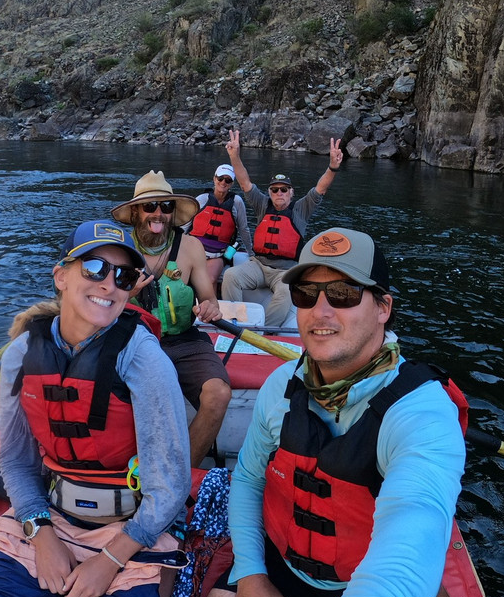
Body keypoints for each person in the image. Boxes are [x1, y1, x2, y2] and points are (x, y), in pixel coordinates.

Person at [228, 228, 467, 597]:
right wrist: (250, 575)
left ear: (383, 308)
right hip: (276, 568)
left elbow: (414, 518)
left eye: (343, 294)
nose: (320, 312)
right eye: (306, 294)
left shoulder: (422, 413)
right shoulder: (280, 386)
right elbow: (247, 477)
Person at [0, 220, 191, 597]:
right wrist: (41, 534)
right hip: (51, 515)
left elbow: (170, 487)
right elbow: (16, 462)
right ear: (61, 276)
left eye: (124, 276)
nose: (109, 284)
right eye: (94, 269)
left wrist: (109, 560)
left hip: (132, 529)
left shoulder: (144, 360)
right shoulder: (22, 354)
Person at [111, 171, 231, 467]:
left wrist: (211, 308)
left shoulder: (191, 248)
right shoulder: (118, 250)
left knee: (218, 393)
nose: (159, 214)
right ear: (136, 212)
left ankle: (179, 476)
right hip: (133, 341)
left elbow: (207, 296)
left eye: (166, 207)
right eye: (150, 206)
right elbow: (100, 307)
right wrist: (127, 295)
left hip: (185, 340)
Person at [221, 129, 343, 326]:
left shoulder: (302, 209)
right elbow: (244, 182)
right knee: (230, 276)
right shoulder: (262, 204)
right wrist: (234, 156)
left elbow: (321, 188)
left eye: (284, 189)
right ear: (269, 192)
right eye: (275, 189)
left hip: (284, 272)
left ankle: (262, 330)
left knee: (286, 291)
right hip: (259, 266)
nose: (279, 193)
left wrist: (332, 167)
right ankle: (235, 322)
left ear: (291, 192)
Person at [185, 163, 255, 286]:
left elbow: (244, 229)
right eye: (220, 178)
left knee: (210, 279)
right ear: (214, 178)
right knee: (183, 277)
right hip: (195, 250)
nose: (223, 182)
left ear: (232, 183)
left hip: (218, 254)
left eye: (228, 180)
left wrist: (251, 253)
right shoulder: (202, 199)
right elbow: (185, 225)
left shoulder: (237, 202)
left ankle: (212, 304)